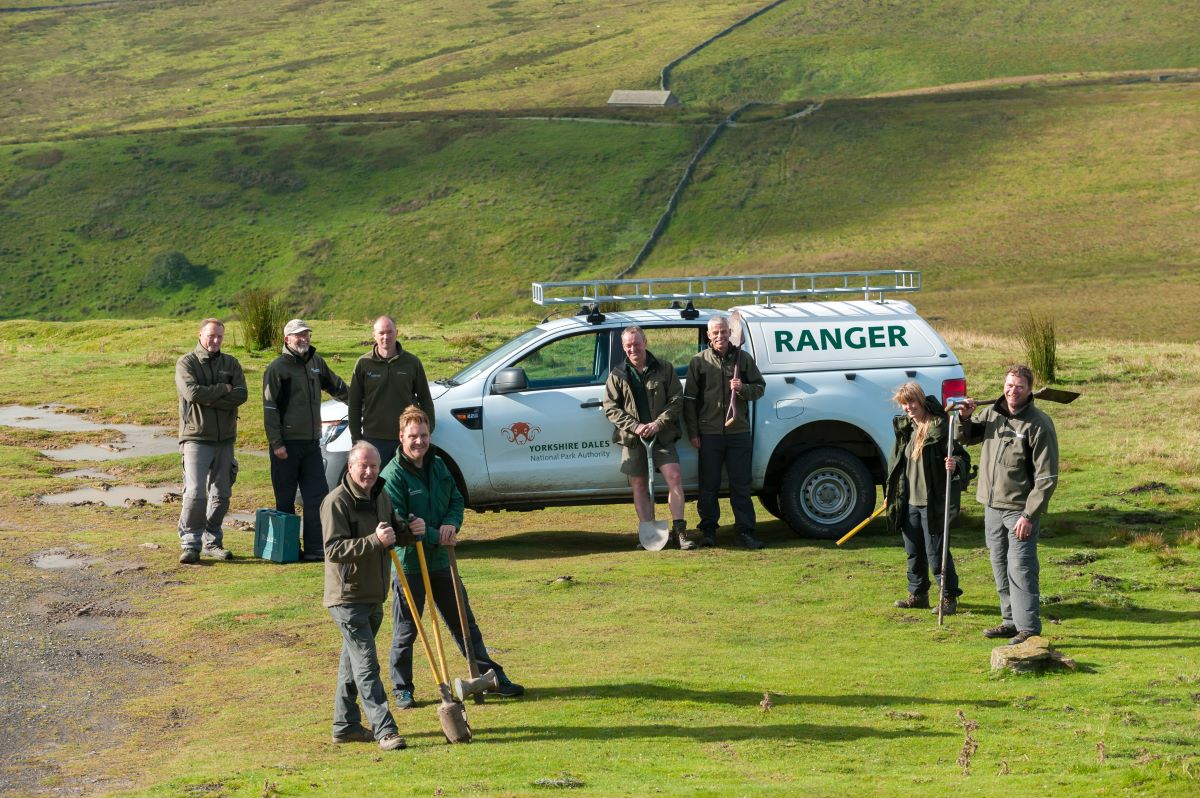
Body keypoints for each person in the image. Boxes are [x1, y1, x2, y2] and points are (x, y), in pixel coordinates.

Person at [381, 407, 523, 708]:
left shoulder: (439, 465)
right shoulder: (392, 476)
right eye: (412, 437)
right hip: (410, 564)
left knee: (464, 623)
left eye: (423, 436)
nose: (418, 442)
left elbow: (457, 499)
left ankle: (489, 676)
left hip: (441, 562)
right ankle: (402, 688)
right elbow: (401, 524)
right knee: (408, 630)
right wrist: (435, 535)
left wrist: (451, 524)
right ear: (401, 437)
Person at [956, 365, 1059, 645]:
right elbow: (964, 437)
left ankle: (1029, 629)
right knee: (999, 564)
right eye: (1009, 385)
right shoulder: (992, 414)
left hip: (1019, 511)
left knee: (1021, 567)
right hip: (991, 506)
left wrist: (1029, 514)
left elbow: (1047, 477)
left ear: (1029, 390)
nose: (1013, 391)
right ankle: (1010, 621)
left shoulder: (1039, 424)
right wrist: (964, 418)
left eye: (1019, 387)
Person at [321, 441, 408, 751]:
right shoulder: (336, 502)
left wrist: (411, 529)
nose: (370, 472)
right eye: (364, 466)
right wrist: (374, 540)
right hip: (347, 598)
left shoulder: (381, 495)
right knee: (367, 665)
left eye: (374, 466)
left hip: (374, 594)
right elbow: (333, 550)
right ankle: (384, 730)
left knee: (353, 663)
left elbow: (393, 530)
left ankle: (344, 725)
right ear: (350, 467)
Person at [263, 319, 349, 561]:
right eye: (298, 335)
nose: (303, 339)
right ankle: (287, 550)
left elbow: (337, 385)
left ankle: (314, 549)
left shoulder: (315, 362)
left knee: (317, 496)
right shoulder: (277, 369)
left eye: (306, 334)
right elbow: (270, 409)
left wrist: (360, 405)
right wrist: (276, 444)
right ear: (286, 339)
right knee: (285, 499)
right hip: (286, 446)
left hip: (312, 443)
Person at [683, 315, 767, 549]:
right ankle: (709, 531)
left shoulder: (744, 359)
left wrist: (743, 388)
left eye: (723, 331)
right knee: (708, 485)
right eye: (715, 333)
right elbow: (689, 400)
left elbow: (760, 388)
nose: (720, 336)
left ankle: (745, 532)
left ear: (730, 333)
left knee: (741, 485)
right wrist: (693, 433)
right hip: (708, 434)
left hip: (738, 433)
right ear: (708, 336)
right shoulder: (698, 362)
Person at [884, 382, 968, 615]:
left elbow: (963, 458)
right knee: (914, 552)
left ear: (921, 401)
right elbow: (897, 467)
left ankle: (948, 597)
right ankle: (918, 594)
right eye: (904, 403)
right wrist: (892, 497)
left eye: (911, 402)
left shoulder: (941, 427)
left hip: (933, 504)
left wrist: (956, 465)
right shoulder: (906, 429)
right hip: (909, 502)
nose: (908, 407)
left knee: (936, 554)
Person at [602, 326, 689, 548]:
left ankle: (680, 532)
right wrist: (636, 426)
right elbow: (611, 408)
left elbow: (676, 400)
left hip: (662, 436)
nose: (633, 348)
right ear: (623, 347)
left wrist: (657, 424)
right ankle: (649, 534)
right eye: (628, 345)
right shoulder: (617, 375)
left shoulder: (664, 369)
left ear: (645, 342)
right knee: (639, 485)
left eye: (637, 344)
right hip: (634, 439)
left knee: (675, 477)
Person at [174, 318, 248, 565]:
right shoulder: (187, 362)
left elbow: (241, 395)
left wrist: (210, 396)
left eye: (219, 337)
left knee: (222, 493)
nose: (215, 341)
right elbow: (192, 393)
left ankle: (212, 541)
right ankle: (190, 544)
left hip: (225, 438)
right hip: (196, 437)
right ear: (200, 335)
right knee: (195, 494)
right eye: (211, 336)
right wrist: (223, 390)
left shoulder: (231, 363)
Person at [347, 315, 435, 468]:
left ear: (397, 333)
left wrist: (428, 429)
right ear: (374, 335)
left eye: (389, 332)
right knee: (376, 486)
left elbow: (425, 399)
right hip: (373, 439)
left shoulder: (412, 362)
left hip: (406, 438)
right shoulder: (363, 363)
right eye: (381, 333)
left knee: (406, 485)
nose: (385, 337)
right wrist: (356, 439)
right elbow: (354, 403)